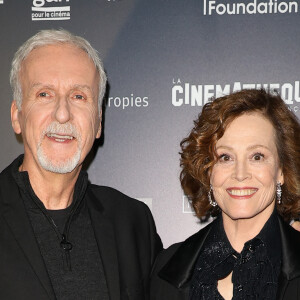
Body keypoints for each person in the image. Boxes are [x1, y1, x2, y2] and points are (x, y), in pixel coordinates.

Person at [0, 29, 162, 300]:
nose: (62, 114)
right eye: (44, 94)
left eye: (78, 96)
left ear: (98, 122)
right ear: (17, 116)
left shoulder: (133, 221)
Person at [150, 89, 300, 300]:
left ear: (282, 171)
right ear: (208, 171)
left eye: (257, 156)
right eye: (225, 157)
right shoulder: (167, 266)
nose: (240, 174)